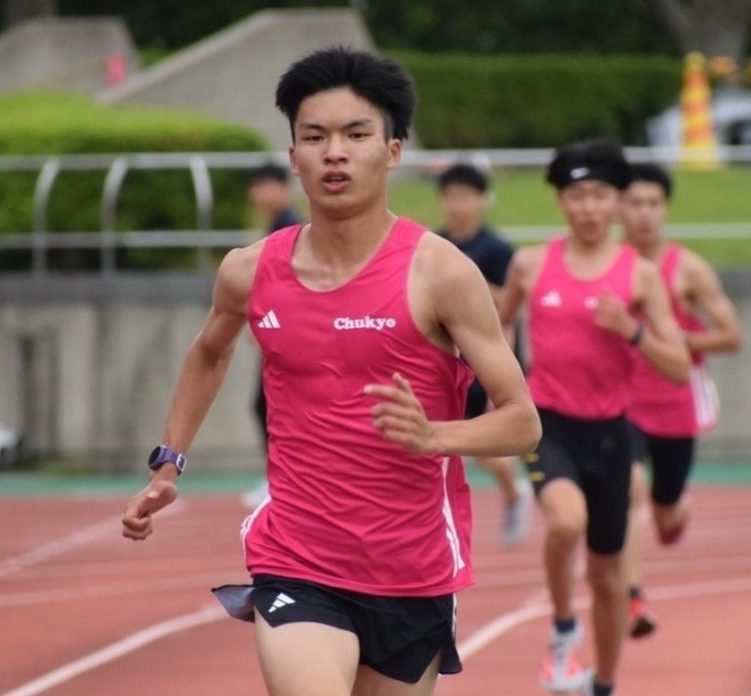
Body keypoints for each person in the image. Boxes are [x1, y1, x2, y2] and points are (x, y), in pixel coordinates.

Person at [122, 46, 541, 696]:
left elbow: (522, 422)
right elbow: (209, 351)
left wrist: (434, 436)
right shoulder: (249, 270)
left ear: (392, 151)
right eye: (315, 137)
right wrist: (169, 461)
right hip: (298, 556)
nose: (334, 153)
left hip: (412, 569)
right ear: (294, 157)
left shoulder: (441, 274)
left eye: (356, 135)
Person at [499, 140, 690, 696]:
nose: (588, 207)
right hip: (547, 424)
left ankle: (603, 683)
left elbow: (679, 367)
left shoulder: (641, 276)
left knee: (608, 579)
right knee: (565, 522)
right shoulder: (531, 264)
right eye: (577, 195)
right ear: (561, 201)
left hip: (609, 434)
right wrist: (501, 390)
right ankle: (563, 632)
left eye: (600, 195)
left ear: (618, 203)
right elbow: (496, 327)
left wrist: (631, 331)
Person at [618, 163, 743, 639]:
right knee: (630, 489)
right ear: (620, 208)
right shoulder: (609, 265)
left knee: (666, 516)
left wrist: (674, 341)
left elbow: (731, 336)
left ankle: (676, 506)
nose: (644, 214)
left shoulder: (688, 269)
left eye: (653, 204)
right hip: (622, 402)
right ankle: (634, 597)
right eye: (635, 203)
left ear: (665, 209)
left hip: (675, 403)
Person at [435, 162, 532, 547]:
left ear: (481, 200)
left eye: (467, 196)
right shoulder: (436, 245)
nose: (459, 204)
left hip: (486, 356)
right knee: (441, 446)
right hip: (449, 358)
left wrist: (472, 287)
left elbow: (510, 305)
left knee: (487, 450)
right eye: (453, 196)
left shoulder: (496, 249)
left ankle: (514, 494)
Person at [241, 163, 305, 509]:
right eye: (257, 186)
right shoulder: (277, 225)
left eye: (268, 185)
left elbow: (288, 285)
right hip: (277, 329)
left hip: (284, 332)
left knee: (271, 406)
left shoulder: (289, 227)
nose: (261, 193)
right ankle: (279, 477)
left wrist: (269, 325)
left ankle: (281, 480)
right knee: (266, 405)